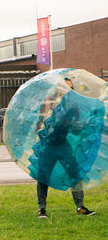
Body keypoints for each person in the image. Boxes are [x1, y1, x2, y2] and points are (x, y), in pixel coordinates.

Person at [34, 77, 95, 218]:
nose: (70, 91)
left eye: (72, 88)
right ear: (59, 89)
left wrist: (85, 126)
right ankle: (42, 209)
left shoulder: (73, 107)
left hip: (64, 146)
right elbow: (41, 123)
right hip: (48, 146)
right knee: (43, 177)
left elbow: (74, 129)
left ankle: (80, 207)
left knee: (75, 175)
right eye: (67, 88)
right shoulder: (48, 104)